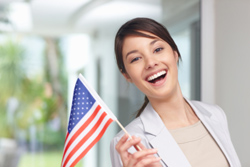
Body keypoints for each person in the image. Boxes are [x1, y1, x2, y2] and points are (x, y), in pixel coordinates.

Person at [110, 17, 241, 167]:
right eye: (136, 59)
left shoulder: (216, 115)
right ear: (126, 75)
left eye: (158, 49)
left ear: (174, 53)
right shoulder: (130, 144)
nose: (151, 63)